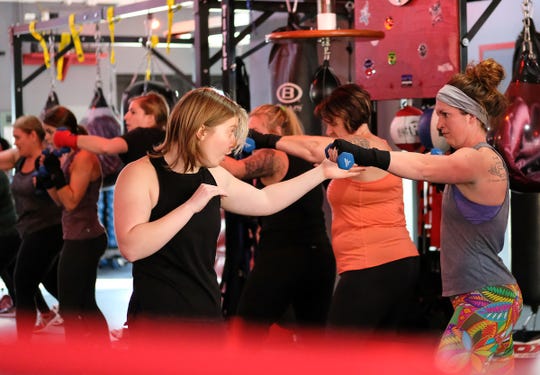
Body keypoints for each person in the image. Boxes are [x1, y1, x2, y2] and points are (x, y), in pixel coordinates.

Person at [112, 87, 361, 342]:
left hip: (206, 316)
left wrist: (321, 173)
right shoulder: (140, 174)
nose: (233, 144)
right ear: (201, 130)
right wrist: (189, 207)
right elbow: (132, 247)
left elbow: (266, 200)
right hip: (157, 323)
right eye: (230, 132)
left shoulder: (211, 173)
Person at [326, 59, 523, 374]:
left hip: (487, 299)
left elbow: (421, 168)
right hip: (490, 296)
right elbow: (429, 163)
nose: (439, 124)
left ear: (471, 116)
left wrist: (363, 153)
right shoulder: (468, 160)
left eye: (445, 114)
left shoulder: (478, 159)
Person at [249, 84, 420, 334]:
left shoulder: (364, 147)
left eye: (331, 123)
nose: (328, 130)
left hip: (373, 266)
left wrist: (266, 139)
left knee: (338, 357)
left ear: (345, 116)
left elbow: (312, 149)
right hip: (392, 264)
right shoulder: (375, 146)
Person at [220, 104, 336, 340]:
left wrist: (197, 145)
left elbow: (237, 169)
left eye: (253, 130)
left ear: (275, 130)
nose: (247, 137)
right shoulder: (302, 155)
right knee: (314, 342)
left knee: (246, 331)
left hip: (285, 254)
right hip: (318, 254)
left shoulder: (273, 154)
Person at [39, 106, 110, 345]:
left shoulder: (84, 157)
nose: (46, 138)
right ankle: (98, 358)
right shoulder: (70, 156)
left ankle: (77, 362)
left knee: (70, 309)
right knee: (85, 305)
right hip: (78, 235)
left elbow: (71, 202)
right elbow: (61, 201)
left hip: (84, 238)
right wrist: (48, 179)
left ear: (63, 131)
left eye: (49, 132)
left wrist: (56, 175)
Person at [0, 116, 63, 340]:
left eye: (18, 137)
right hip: (28, 230)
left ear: (33, 135)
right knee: (56, 285)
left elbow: (64, 199)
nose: (14, 142)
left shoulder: (49, 160)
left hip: (48, 229)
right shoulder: (20, 157)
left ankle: (24, 346)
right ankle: (86, 325)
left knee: (22, 282)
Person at [53, 91, 169, 165]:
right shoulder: (165, 137)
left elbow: (106, 147)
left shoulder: (143, 135)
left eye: (133, 112)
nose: (125, 117)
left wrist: (67, 138)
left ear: (151, 118)